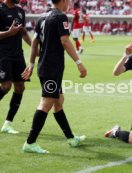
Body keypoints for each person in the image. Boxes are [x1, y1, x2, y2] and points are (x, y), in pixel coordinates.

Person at [21, 0, 87, 154]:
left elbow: (35, 42)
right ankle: (30, 142)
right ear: (63, 0)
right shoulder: (60, 17)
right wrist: (79, 62)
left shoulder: (42, 16)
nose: (69, 3)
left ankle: (71, 138)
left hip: (45, 65)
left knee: (59, 101)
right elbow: (65, 40)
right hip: (52, 67)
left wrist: (31, 64)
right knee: (47, 102)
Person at [0, 0, 31, 134]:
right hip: (3, 54)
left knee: (20, 87)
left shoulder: (20, 11)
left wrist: (35, 49)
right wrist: (8, 33)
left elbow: (23, 32)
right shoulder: (0, 9)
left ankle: (8, 124)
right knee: (6, 86)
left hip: (18, 55)